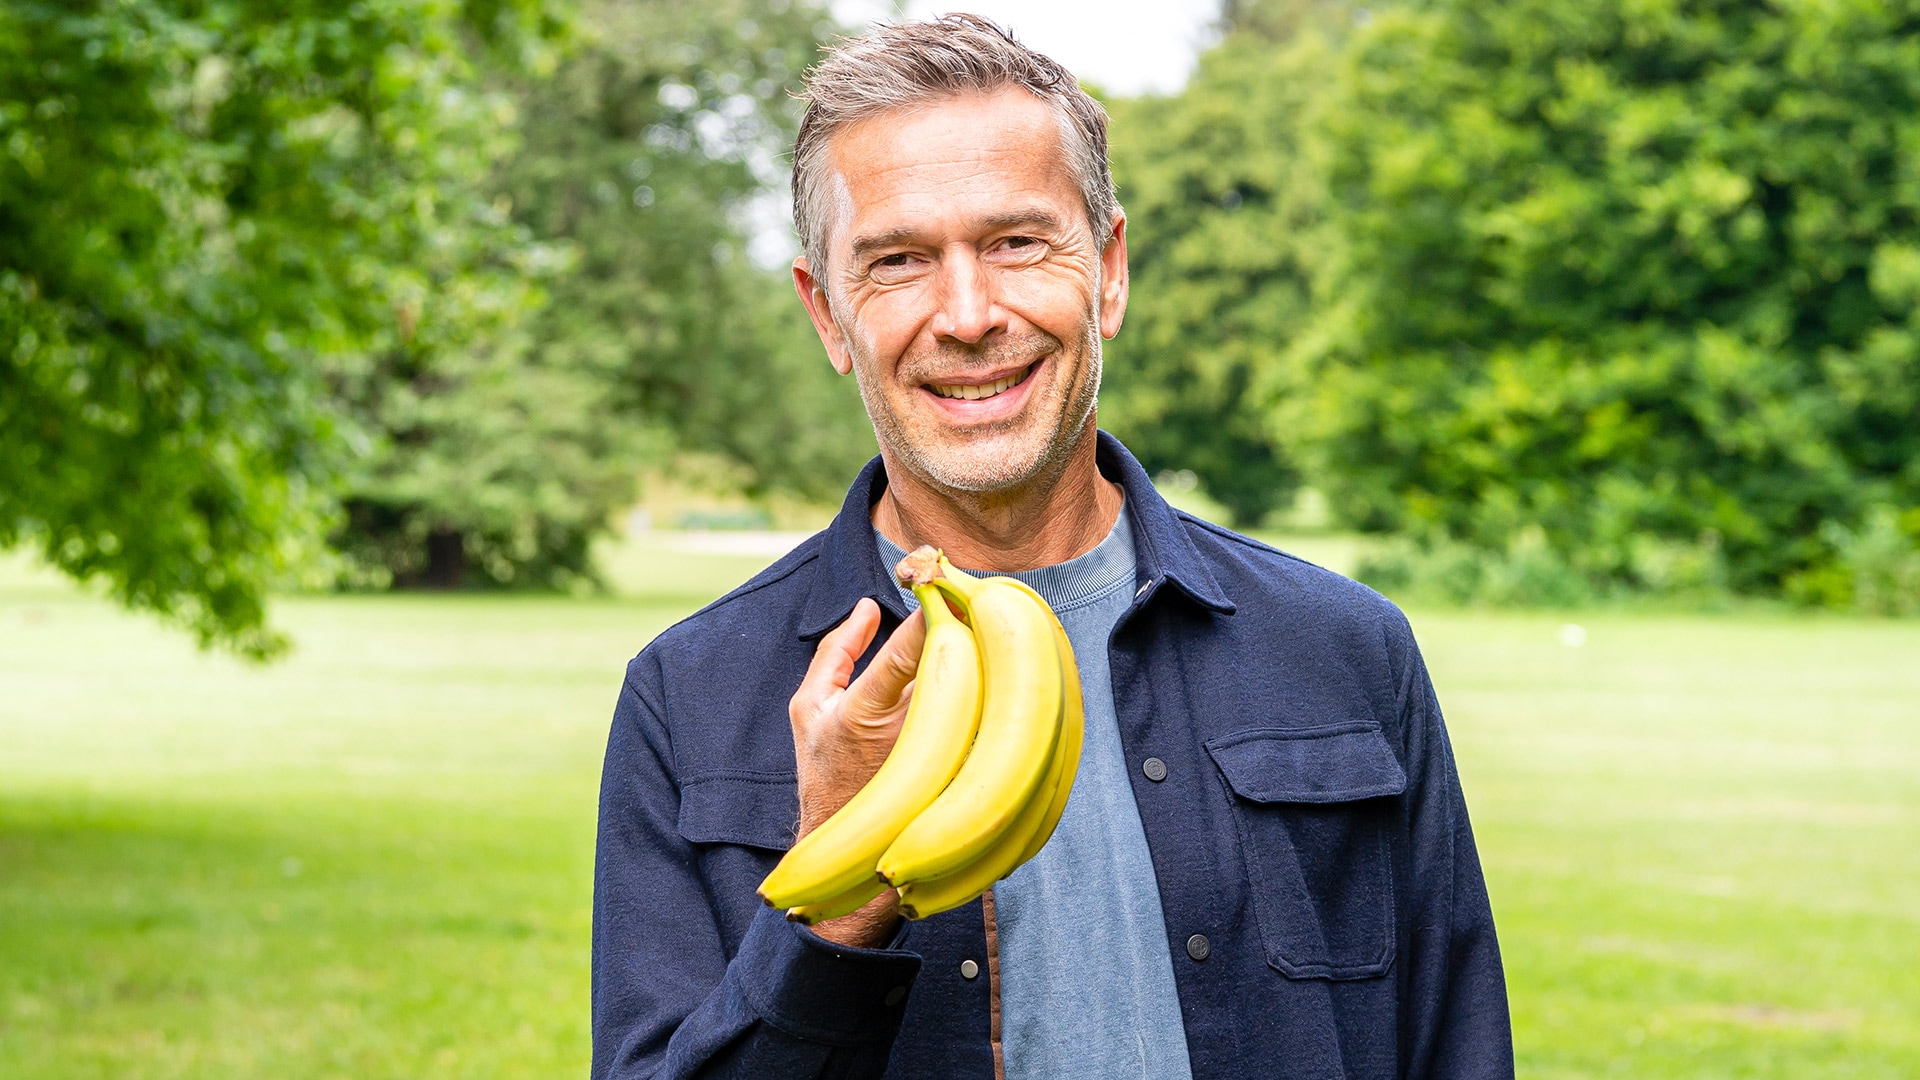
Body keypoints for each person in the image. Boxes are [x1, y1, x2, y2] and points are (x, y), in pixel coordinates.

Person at [591, 15, 1512, 1080]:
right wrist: (833, 903)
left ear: (1109, 270)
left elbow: (1457, 1049)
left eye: (1018, 242)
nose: (970, 314)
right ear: (828, 315)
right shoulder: (689, 696)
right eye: (898, 261)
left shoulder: (1346, 651)